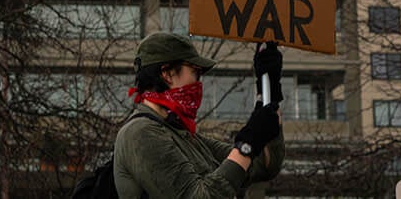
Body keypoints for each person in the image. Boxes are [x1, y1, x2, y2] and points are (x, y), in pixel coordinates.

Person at [113, 32, 284, 198]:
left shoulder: (184, 136)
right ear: (167, 73)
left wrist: (268, 94)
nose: (199, 82)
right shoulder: (141, 133)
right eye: (195, 71)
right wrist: (246, 145)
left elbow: (261, 164)